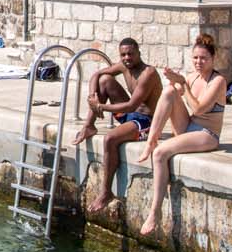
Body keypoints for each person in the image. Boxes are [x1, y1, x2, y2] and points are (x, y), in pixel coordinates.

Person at [138, 33, 229, 238]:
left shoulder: (218, 81)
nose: (198, 62)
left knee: (161, 154)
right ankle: (151, 139)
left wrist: (184, 85)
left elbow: (198, 109)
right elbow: (172, 95)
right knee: (168, 92)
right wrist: (175, 82)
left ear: (212, 59)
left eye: (203, 58)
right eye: (195, 58)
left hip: (206, 133)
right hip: (188, 127)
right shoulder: (192, 76)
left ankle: (155, 212)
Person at [68, 38, 164, 215]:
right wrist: (92, 97)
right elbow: (97, 75)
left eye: (130, 54)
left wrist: (100, 106)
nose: (127, 58)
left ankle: (106, 192)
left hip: (146, 122)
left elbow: (131, 106)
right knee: (105, 80)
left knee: (110, 139)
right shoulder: (123, 66)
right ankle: (89, 125)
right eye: (123, 54)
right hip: (130, 115)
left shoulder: (148, 74)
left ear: (139, 53)